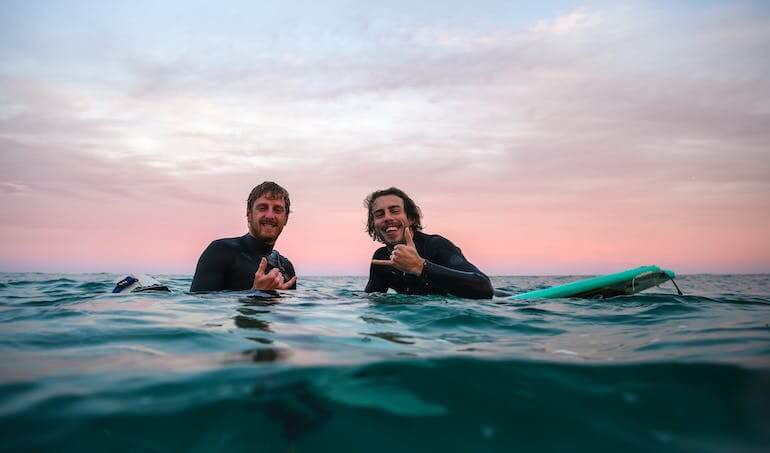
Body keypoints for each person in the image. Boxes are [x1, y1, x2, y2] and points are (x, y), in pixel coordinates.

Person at [364, 187, 493, 299]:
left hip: (503, 301)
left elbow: (485, 289)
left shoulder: (435, 245)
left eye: (395, 211)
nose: (387, 218)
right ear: (374, 225)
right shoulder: (381, 258)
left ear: (411, 218)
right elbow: (371, 297)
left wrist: (420, 266)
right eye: (379, 214)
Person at [190, 181, 297, 292]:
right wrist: (257, 292)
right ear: (249, 214)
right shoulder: (221, 251)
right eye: (262, 208)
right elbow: (198, 304)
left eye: (277, 210)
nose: (270, 215)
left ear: (286, 218)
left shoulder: (286, 268)